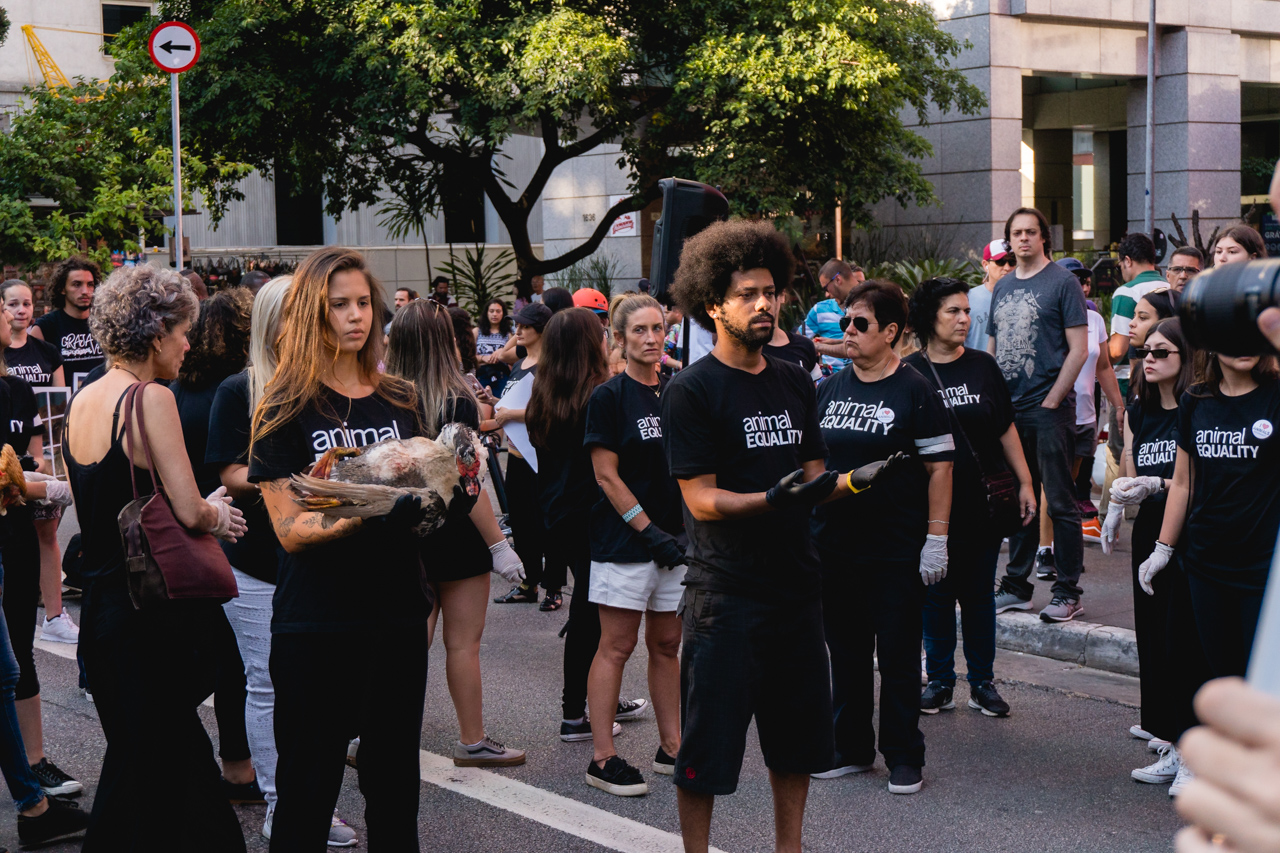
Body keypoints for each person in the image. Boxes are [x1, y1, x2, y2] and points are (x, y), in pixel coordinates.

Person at [662, 220, 894, 851]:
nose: (765, 303)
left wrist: (856, 484)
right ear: (714, 304)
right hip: (725, 596)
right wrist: (770, 498)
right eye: (748, 294)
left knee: (796, 746)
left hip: (796, 589)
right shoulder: (691, 390)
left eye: (771, 291)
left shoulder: (794, 379)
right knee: (706, 754)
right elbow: (700, 500)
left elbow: (817, 478)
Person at [250, 247, 457, 850]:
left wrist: (446, 492)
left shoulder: (399, 398)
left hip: (395, 615)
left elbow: (426, 503)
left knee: (395, 789)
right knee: (307, 792)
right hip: (316, 622)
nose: (355, 316)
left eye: (363, 302)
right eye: (338, 304)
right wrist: (368, 507)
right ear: (313, 312)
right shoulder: (284, 406)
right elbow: (289, 529)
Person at [62, 263, 247, 851]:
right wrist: (220, 514)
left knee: (138, 774)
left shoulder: (84, 398)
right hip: (152, 618)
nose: (188, 343)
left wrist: (194, 505)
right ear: (156, 331)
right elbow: (190, 512)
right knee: (182, 779)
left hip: (104, 614)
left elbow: (108, 503)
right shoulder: (150, 398)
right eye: (182, 330)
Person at [205, 277, 359, 847]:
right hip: (257, 562)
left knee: (324, 689)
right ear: (277, 322)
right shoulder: (238, 389)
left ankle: (310, 803)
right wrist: (296, 473)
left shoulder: (328, 385)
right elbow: (227, 472)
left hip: (321, 559)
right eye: (304, 313)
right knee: (268, 684)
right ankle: (283, 806)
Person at [811, 279, 954, 794]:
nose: (847, 331)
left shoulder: (915, 389)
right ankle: (849, 748)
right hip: (834, 546)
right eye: (845, 322)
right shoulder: (829, 387)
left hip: (894, 547)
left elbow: (941, 468)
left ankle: (903, 755)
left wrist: (936, 538)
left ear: (891, 332)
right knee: (845, 653)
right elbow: (814, 465)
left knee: (896, 655)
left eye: (860, 323)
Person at [386, 300, 526, 768]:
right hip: (459, 531)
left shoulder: (383, 396)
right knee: (463, 645)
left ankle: (377, 734)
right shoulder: (457, 397)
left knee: (407, 646)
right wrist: (500, 546)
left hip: (406, 532)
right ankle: (473, 739)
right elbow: (469, 481)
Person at [1143, 344, 1280, 796]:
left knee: (1257, 679)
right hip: (1203, 563)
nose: (1243, 348)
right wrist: (1163, 547)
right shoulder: (1196, 400)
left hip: (1263, 567)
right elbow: (1183, 481)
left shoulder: (1276, 396)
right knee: (1211, 669)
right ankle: (1207, 764)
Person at [904, 278, 1036, 720]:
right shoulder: (908, 371)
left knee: (979, 596)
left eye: (966, 311)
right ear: (928, 318)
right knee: (935, 596)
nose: (965, 319)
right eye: (952, 312)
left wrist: (1025, 482)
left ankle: (983, 683)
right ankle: (940, 681)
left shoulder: (982, 366)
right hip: (928, 507)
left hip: (981, 503)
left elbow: (1005, 428)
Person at [526, 307, 646, 742]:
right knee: (595, 614)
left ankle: (595, 700)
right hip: (595, 513)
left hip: (558, 512)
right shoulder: (601, 393)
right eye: (599, 334)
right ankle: (577, 713)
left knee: (591, 610)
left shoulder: (543, 392)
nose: (605, 340)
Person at [582, 293, 685, 796]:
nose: (651, 339)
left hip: (676, 544)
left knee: (667, 644)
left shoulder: (676, 391)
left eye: (658, 329)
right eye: (639, 331)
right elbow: (606, 476)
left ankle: (673, 747)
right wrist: (649, 532)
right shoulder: (609, 397)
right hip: (625, 544)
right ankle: (603, 758)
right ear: (619, 339)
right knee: (617, 647)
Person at [1101, 319, 1207, 788]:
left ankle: (1193, 749)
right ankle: (1167, 736)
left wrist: (1156, 484)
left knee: (1183, 640)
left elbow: (1195, 481)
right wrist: (1116, 506)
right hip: (1150, 530)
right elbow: (1131, 461)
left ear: (1186, 358)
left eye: (1162, 352)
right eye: (1146, 350)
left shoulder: (1194, 407)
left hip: (1186, 535)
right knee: (1153, 636)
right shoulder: (1141, 408)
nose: (1148, 358)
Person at [170, 289, 262, 805]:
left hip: (189, 536)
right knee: (236, 665)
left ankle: (224, 761)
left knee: (209, 656)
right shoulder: (238, 392)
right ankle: (238, 766)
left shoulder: (182, 389)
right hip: (229, 526)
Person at [988, 207, 1090, 623]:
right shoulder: (1003, 285)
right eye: (1017, 233)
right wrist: (992, 403)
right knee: (1017, 502)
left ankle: (1068, 591)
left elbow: (1079, 349)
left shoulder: (1063, 283)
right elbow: (993, 351)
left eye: (1031, 232)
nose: (1024, 239)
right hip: (1010, 412)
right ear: (1009, 240)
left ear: (1044, 237)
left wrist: (1052, 400)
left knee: (1060, 504)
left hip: (1049, 411)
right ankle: (1016, 586)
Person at [1, 280, 73, 646]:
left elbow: (56, 413)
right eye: (12, 304)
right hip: (17, 475)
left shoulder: (45, 352)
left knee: (47, 536)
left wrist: (49, 463)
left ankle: (55, 615)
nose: (20, 310)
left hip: (39, 461)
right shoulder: (6, 365)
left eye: (27, 303)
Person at [490, 302, 567, 608]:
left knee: (549, 523)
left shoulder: (551, 365)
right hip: (517, 456)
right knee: (521, 524)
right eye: (517, 325)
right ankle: (529, 581)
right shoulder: (519, 363)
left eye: (524, 326)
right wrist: (495, 402)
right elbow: (512, 404)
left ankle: (554, 587)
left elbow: (551, 410)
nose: (518, 331)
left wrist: (510, 412)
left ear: (542, 331)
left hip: (542, 457)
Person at [1036, 295, 1121, 564]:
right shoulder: (1047, 318)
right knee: (1052, 484)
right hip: (1054, 413)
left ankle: (1063, 549)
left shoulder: (1094, 320)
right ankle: (1044, 550)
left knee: (1068, 487)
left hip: (1085, 417)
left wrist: (1119, 407)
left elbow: (1104, 366)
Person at [31, 256, 105, 392]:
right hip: (65, 407)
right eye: (77, 284)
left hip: (104, 402)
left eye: (90, 285)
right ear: (62, 289)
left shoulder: (105, 323)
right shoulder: (45, 327)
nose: (85, 291)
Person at [801, 259, 864, 370]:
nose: (826, 294)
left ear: (838, 280)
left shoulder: (867, 305)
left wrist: (817, 346)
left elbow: (854, 348)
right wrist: (832, 342)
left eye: (826, 288)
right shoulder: (820, 309)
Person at [966, 240, 1014, 352]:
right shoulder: (968, 298)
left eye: (1012, 261)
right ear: (985, 265)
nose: (1007, 267)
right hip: (977, 367)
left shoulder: (1025, 297)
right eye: (1000, 262)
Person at [765, 287, 821, 380]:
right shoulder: (738, 353)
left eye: (769, 293)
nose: (762, 303)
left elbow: (814, 392)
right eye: (747, 295)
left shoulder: (804, 346)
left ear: (782, 295)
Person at [476, 299, 513, 397]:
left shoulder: (508, 335)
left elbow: (514, 357)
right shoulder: (477, 332)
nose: (494, 314)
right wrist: (483, 358)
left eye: (498, 311)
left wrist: (502, 352)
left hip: (501, 375)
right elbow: (468, 356)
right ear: (486, 313)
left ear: (503, 313)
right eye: (491, 311)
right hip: (482, 374)